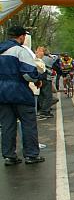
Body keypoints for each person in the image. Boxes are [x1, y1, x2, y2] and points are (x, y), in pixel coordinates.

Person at [0, 25, 44, 164]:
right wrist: (37, 80)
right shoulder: (20, 51)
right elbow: (29, 73)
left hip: (2, 92)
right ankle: (31, 154)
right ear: (22, 37)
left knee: (7, 125)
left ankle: (9, 156)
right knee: (28, 123)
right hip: (19, 92)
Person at [36, 46, 57, 119]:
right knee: (48, 96)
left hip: (40, 78)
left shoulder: (38, 58)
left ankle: (42, 109)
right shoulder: (48, 59)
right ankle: (45, 111)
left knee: (41, 95)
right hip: (47, 78)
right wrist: (50, 56)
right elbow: (55, 59)